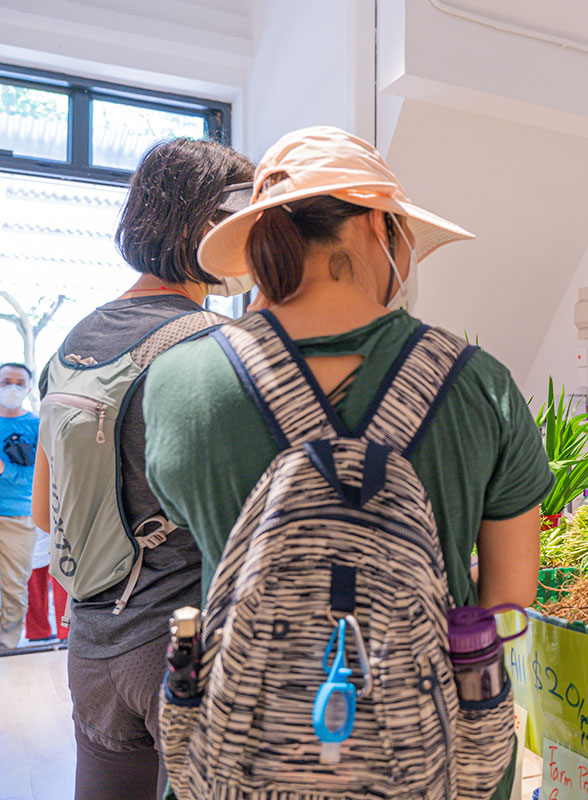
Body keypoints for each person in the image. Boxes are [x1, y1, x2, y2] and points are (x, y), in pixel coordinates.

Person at [142, 126, 551, 800]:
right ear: (374, 224)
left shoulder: (180, 381)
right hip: (431, 763)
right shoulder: (480, 384)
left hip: (243, 753)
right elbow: (509, 602)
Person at [30, 138, 255, 800]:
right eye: (239, 217)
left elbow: (47, 513)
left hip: (91, 647)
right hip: (179, 648)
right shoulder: (213, 346)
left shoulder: (71, 343)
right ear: (202, 224)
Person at [0, 362, 38, 649]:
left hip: (17, 519)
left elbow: (37, 476)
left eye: (18, 382)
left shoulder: (37, 426)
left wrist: (4, 469)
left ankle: (7, 645)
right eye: (5, 381)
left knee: (13, 587)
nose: (12, 387)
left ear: (27, 388)